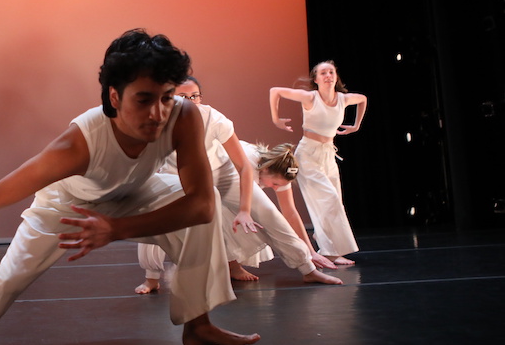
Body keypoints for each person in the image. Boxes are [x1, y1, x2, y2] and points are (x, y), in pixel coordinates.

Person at [0, 29, 260, 345]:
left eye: (167, 97)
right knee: (6, 280)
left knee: (198, 217)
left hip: (134, 193)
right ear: (115, 97)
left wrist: (116, 229)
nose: (158, 112)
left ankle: (198, 324)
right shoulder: (78, 143)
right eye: (144, 99)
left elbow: (202, 204)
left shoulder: (184, 116)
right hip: (67, 206)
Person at [135, 78, 339, 295]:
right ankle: (152, 278)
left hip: (220, 173)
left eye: (194, 95)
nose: (190, 101)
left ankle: (307, 269)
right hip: (177, 176)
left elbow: (243, 166)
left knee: (268, 213)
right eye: (183, 97)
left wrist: (244, 209)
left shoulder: (214, 118)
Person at [270, 60, 367, 265]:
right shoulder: (310, 97)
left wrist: (356, 125)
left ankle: (328, 244)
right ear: (316, 79)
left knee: (334, 202)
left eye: (331, 72)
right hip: (308, 155)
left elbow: (363, 99)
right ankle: (330, 252)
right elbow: (275, 91)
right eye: (323, 73)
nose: (328, 76)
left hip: (328, 155)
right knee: (328, 200)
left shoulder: (343, 99)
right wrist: (276, 119)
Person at [220, 140, 343, 284]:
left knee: (245, 218)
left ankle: (233, 266)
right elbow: (270, 216)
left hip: (223, 186)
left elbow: (290, 212)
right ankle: (232, 265)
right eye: (275, 184)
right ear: (265, 169)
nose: (274, 188)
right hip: (216, 174)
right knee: (257, 217)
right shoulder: (249, 163)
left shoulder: (278, 171)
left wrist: (311, 252)